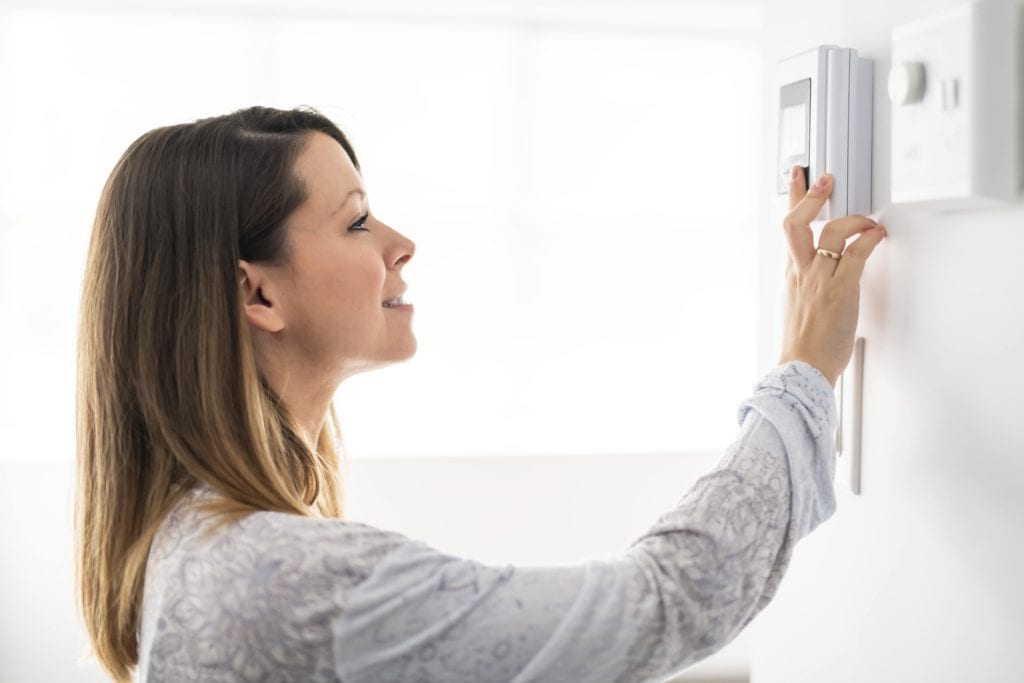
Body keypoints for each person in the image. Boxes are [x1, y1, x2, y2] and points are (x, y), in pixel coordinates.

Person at [74, 106, 886, 683]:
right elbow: (664, 601)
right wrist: (804, 371)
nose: (401, 244)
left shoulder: (190, 532)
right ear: (257, 296)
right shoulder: (279, 578)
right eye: (358, 223)